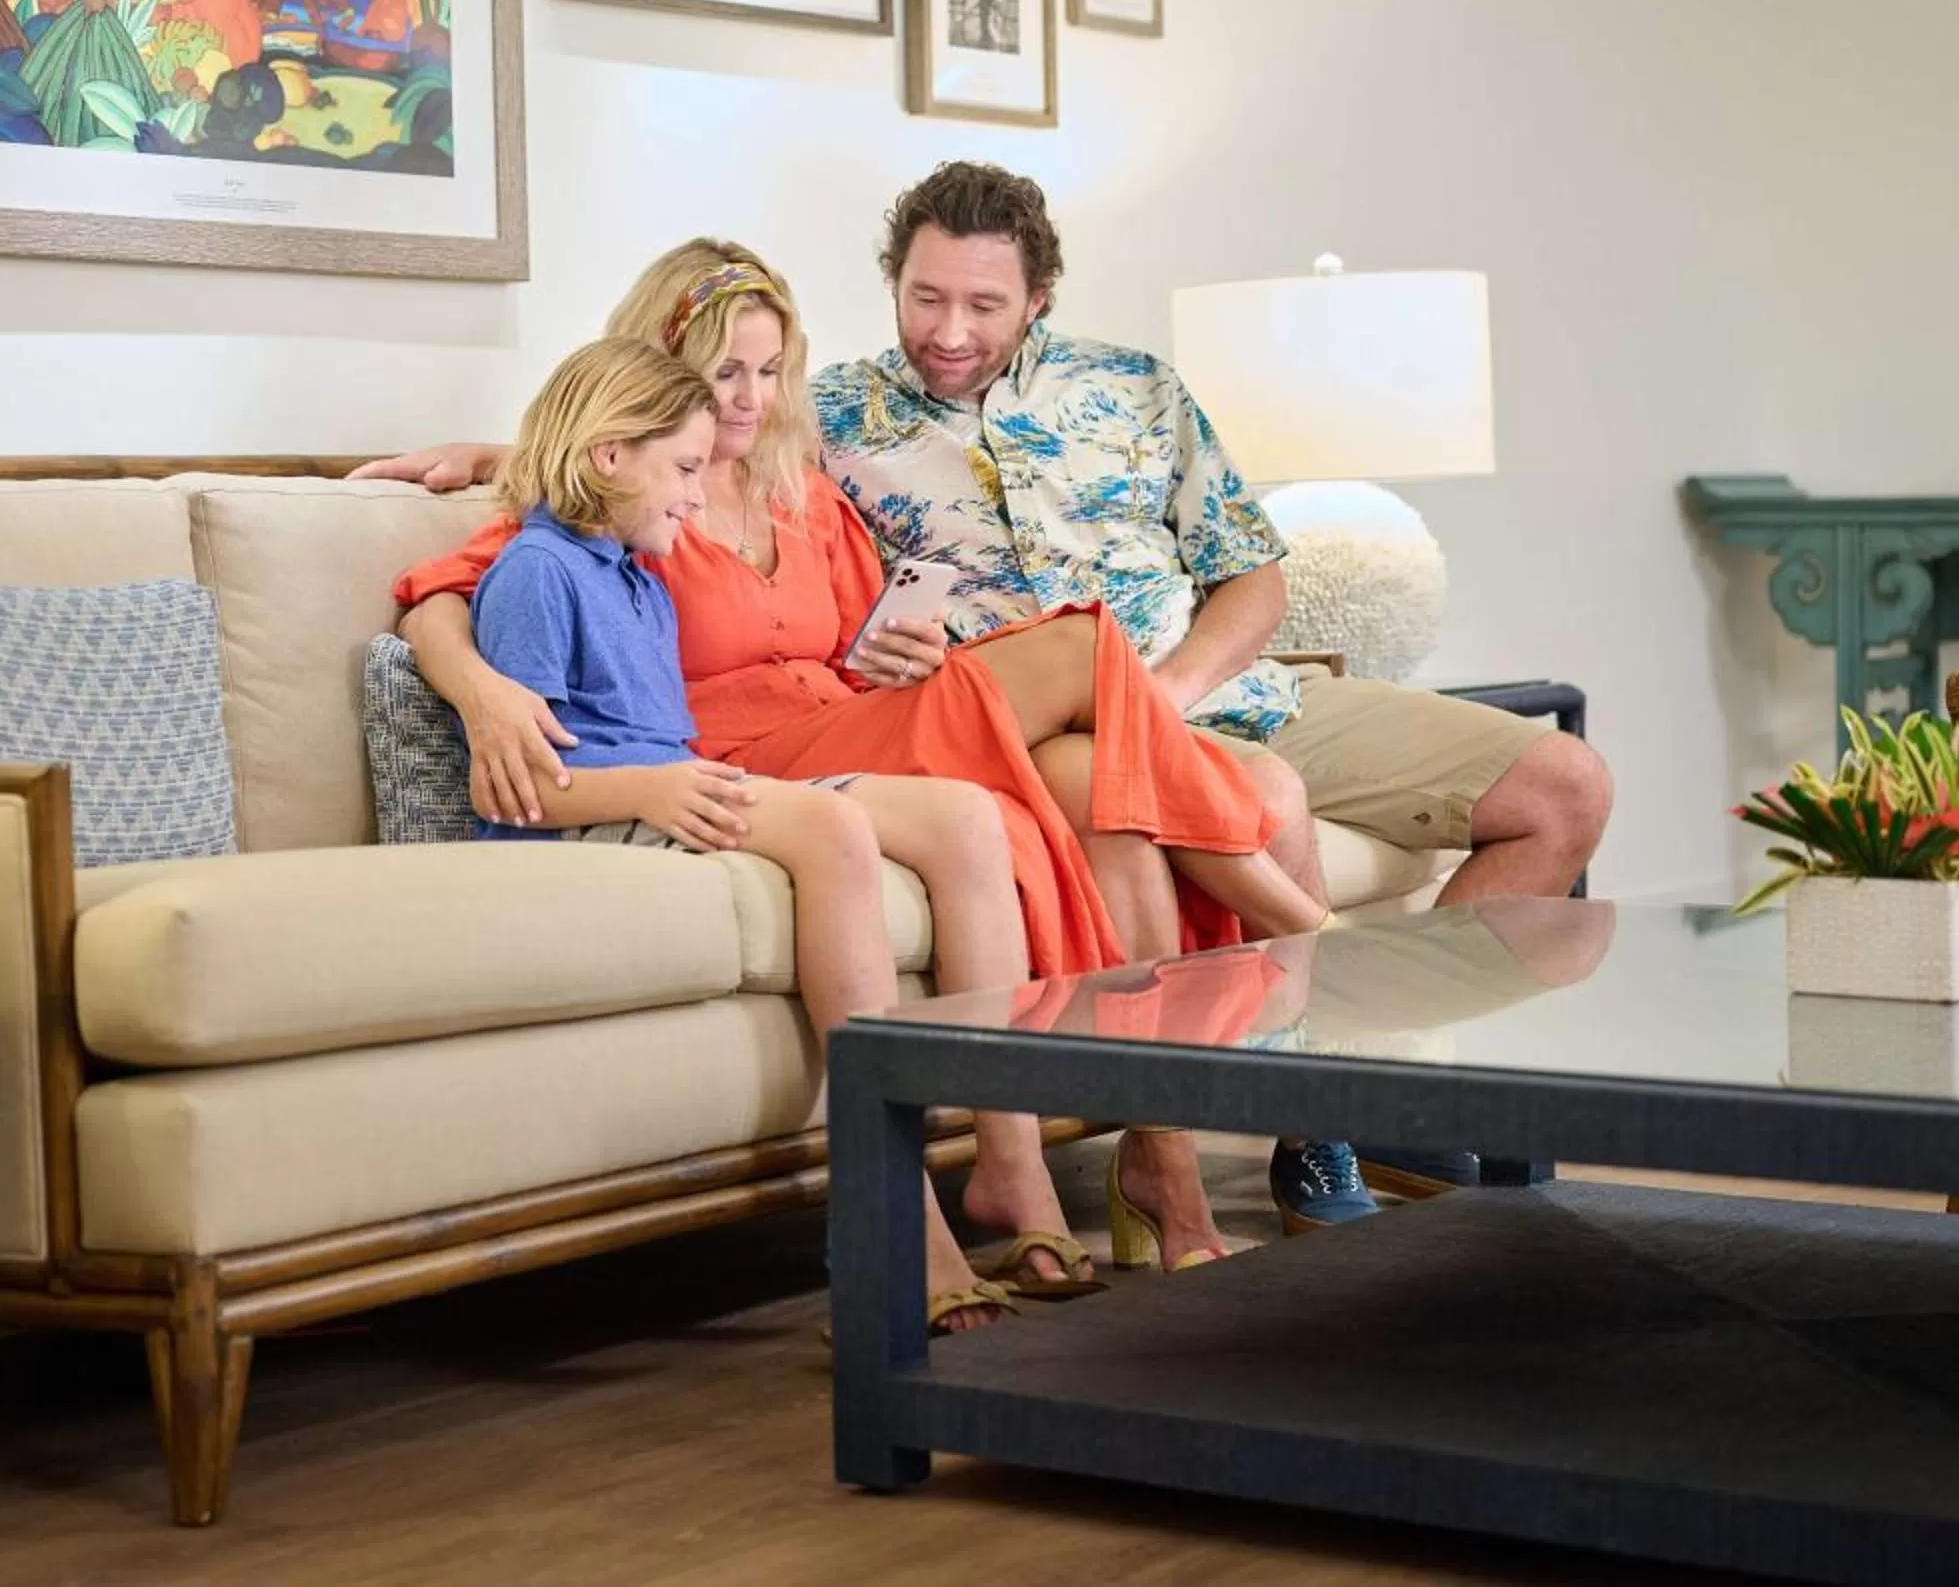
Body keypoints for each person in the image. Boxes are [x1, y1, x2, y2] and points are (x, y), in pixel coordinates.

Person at [379, 244, 1336, 1274]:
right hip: (747, 752)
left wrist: (897, 652)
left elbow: (852, 642)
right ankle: (1302, 929)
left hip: (852, 720)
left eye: (769, 370)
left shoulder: (801, 488)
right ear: (662, 371)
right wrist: (480, 691)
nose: (750, 398)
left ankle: (1141, 1168)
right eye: (724, 371)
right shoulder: (636, 501)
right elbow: (438, 591)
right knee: (1079, 645)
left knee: (1084, 786)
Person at [814, 161, 1615, 1226]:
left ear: (1039, 297)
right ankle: (1317, 1125)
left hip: (1220, 690)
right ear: (893, 280)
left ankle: (1374, 1073)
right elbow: (753, 563)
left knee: (1564, 788)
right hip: (1035, 727)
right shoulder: (826, 420)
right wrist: (872, 647)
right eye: (925, 298)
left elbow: (1252, 576)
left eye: (983, 305)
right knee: (1267, 800)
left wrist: (1173, 685)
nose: (949, 331)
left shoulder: (1137, 387)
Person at [471, 334, 1072, 1336]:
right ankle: (889, 1219)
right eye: (684, 469)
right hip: (609, 816)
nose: (698, 494)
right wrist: (654, 787)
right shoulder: (536, 573)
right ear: (609, 455)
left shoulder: (634, 570)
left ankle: (1012, 1161)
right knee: (831, 826)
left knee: (965, 814)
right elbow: (516, 790)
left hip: (679, 795)